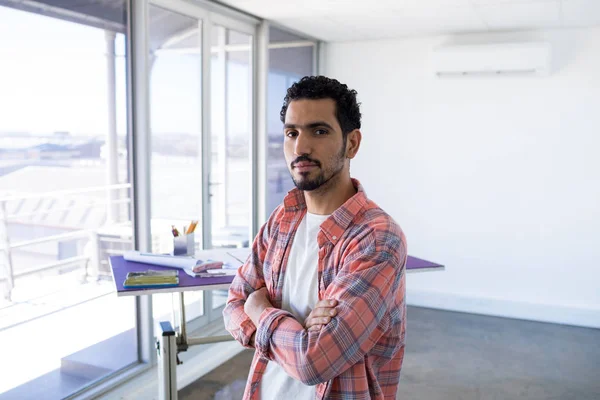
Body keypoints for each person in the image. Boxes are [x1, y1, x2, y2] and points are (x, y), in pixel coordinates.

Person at [223, 76, 407, 399]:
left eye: (319, 132)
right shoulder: (282, 220)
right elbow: (234, 304)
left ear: (352, 143)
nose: (301, 147)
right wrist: (296, 328)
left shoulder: (377, 239)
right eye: (291, 133)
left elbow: (313, 361)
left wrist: (260, 308)